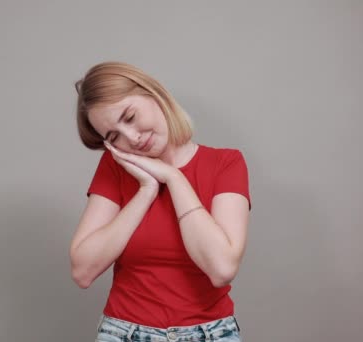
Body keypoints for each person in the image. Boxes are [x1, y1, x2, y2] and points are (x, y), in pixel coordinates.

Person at [69, 61, 251, 342]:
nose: (131, 138)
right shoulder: (115, 168)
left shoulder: (226, 163)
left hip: (210, 334)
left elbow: (221, 269)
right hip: (123, 333)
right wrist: (145, 191)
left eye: (129, 117)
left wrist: (174, 179)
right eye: (114, 136)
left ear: (153, 94)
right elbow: (82, 270)